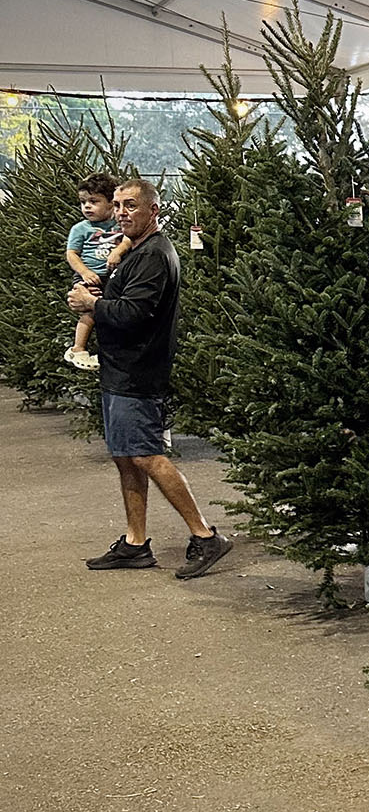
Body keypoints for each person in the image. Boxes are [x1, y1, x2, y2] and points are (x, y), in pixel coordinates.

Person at [69, 179, 233, 579]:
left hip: (139, 372)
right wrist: (98, 289)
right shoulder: (135, 252)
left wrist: (93, 303)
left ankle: (206, 535)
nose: (123, 212)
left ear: (153, 211)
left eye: (131, 206)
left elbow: (132, 313)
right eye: (119, 206)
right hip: (118, 369)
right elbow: (123, 296)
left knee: (145, 455)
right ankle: (135, 543)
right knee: (125, 457)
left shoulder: (155, 255)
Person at [62, 172, 120, 370]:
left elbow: (129, 239)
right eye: (83, 202)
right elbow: (72, 254)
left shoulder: (119, 225)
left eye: (94, 201)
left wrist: (118, 251)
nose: (87, 206)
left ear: (111, 203)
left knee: (111, 312)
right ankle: (78, 348)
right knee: (90, 311)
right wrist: (85, 272)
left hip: (113, 277)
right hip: (89, 277)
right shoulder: (80, 229)